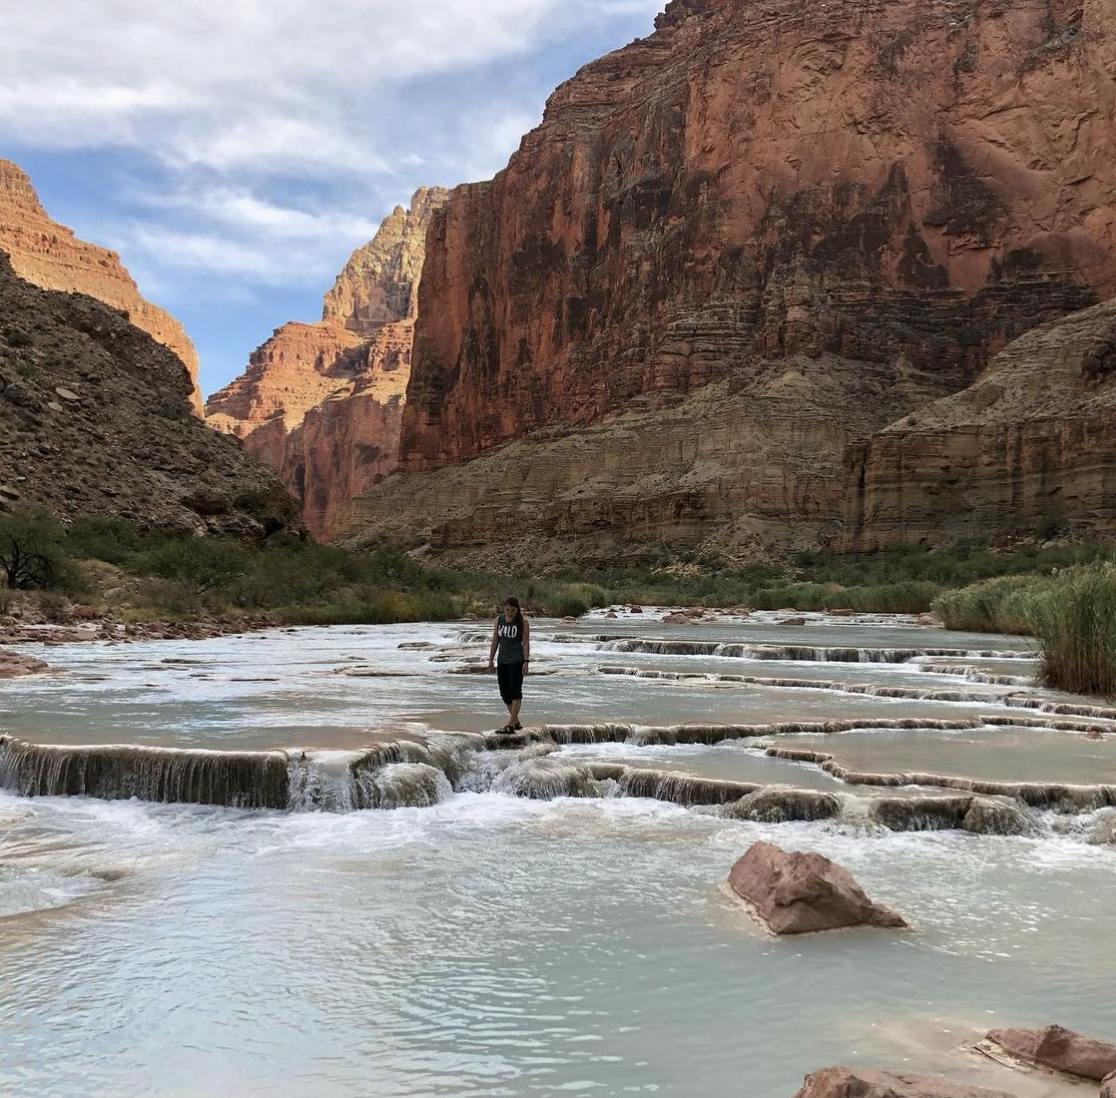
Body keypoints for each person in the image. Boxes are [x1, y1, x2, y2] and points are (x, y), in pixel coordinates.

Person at [488, 596, 530, 733]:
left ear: (517, 609)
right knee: (504, 692)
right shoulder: (499, 620)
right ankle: (516, 721)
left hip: (517, 661)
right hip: (502, 661)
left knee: (515, 691)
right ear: (503, 608)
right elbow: (495, 640)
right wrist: (490, 660)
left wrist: (526, 661)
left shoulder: (523, 622)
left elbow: (526, 643)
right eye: (507, 610)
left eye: (512, 610)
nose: (509, 613)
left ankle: (511, 724)